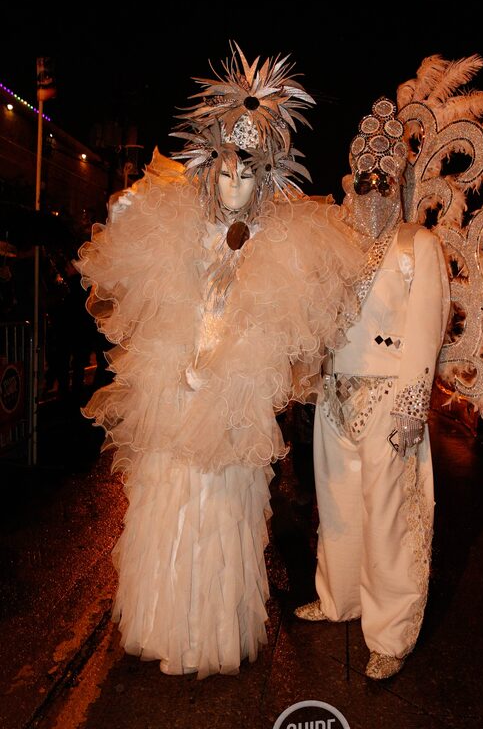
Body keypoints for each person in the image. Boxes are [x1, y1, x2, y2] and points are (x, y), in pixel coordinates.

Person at [77, 45, 362, 678]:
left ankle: (209, 634)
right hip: (176, 385)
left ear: (267, 178)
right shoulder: (184, 226)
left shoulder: (279, 243)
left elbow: (276, 326)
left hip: (228, 396)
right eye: (227, 172)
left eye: (249, 174)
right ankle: (161, 623)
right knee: (168, 498)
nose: (235, 186)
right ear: (211, 169)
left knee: (218, 509)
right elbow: (156, 292)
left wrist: (229, 369)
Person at [295, 97, 450, 680]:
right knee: (336, 508)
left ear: (400, 185)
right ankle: (340, 599)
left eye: (386, 180)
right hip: (336, 396)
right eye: (366, 179)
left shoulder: (419, 245)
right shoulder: (335, 245)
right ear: (351, 182)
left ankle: (390, 633)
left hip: (389, 399)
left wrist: (413, 404)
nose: (375, 189)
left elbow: (425, 331)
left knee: (390, 516)